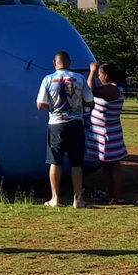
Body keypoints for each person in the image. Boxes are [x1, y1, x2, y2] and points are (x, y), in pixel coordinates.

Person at [36, 50, 94, 208]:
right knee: (77, 162)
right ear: (70, 63)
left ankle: (55, 198)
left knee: (55, 160)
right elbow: (90, 102)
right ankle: (78, 199)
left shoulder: (48, 79)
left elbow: (40, 104)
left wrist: (54, 107)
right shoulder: (79, 78)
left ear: (54, 63)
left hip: (56, 124)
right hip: (76, 123)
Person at [86, 62, 128, 203]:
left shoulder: (111, 90)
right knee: (107, 165)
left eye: (100, 75)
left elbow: (91, 90)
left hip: (108, 134)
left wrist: (92, 72)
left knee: (113, 165)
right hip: (107, 132)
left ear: (106, 76)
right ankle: (110, 194)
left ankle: (117, 196)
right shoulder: (111, 89)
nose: (98, 77)